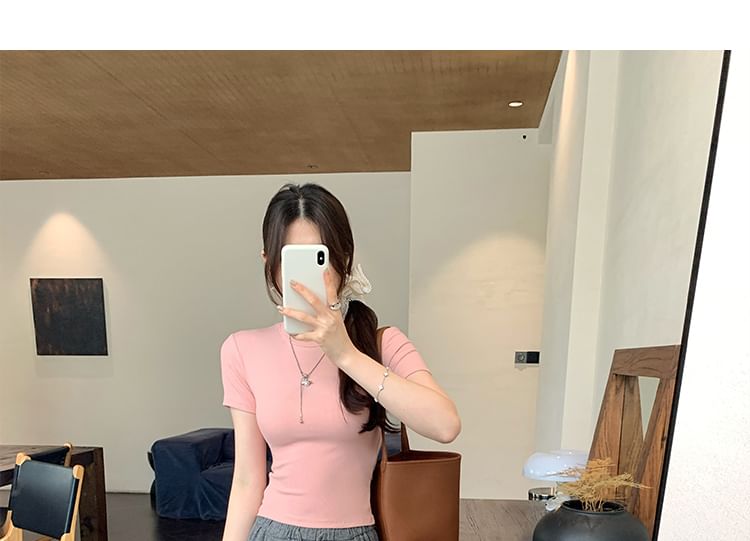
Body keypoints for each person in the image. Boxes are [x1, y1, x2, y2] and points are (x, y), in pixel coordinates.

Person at [220, 182, 461, 541]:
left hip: (354, 533)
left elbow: (445, 425)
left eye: (319, 257)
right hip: (271, 531)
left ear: (344, 258)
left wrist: (345, 353)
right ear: (268, 261)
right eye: (292, 259)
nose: (307, 276)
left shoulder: (381, 344)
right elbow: (246, 480)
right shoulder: (242, 349)